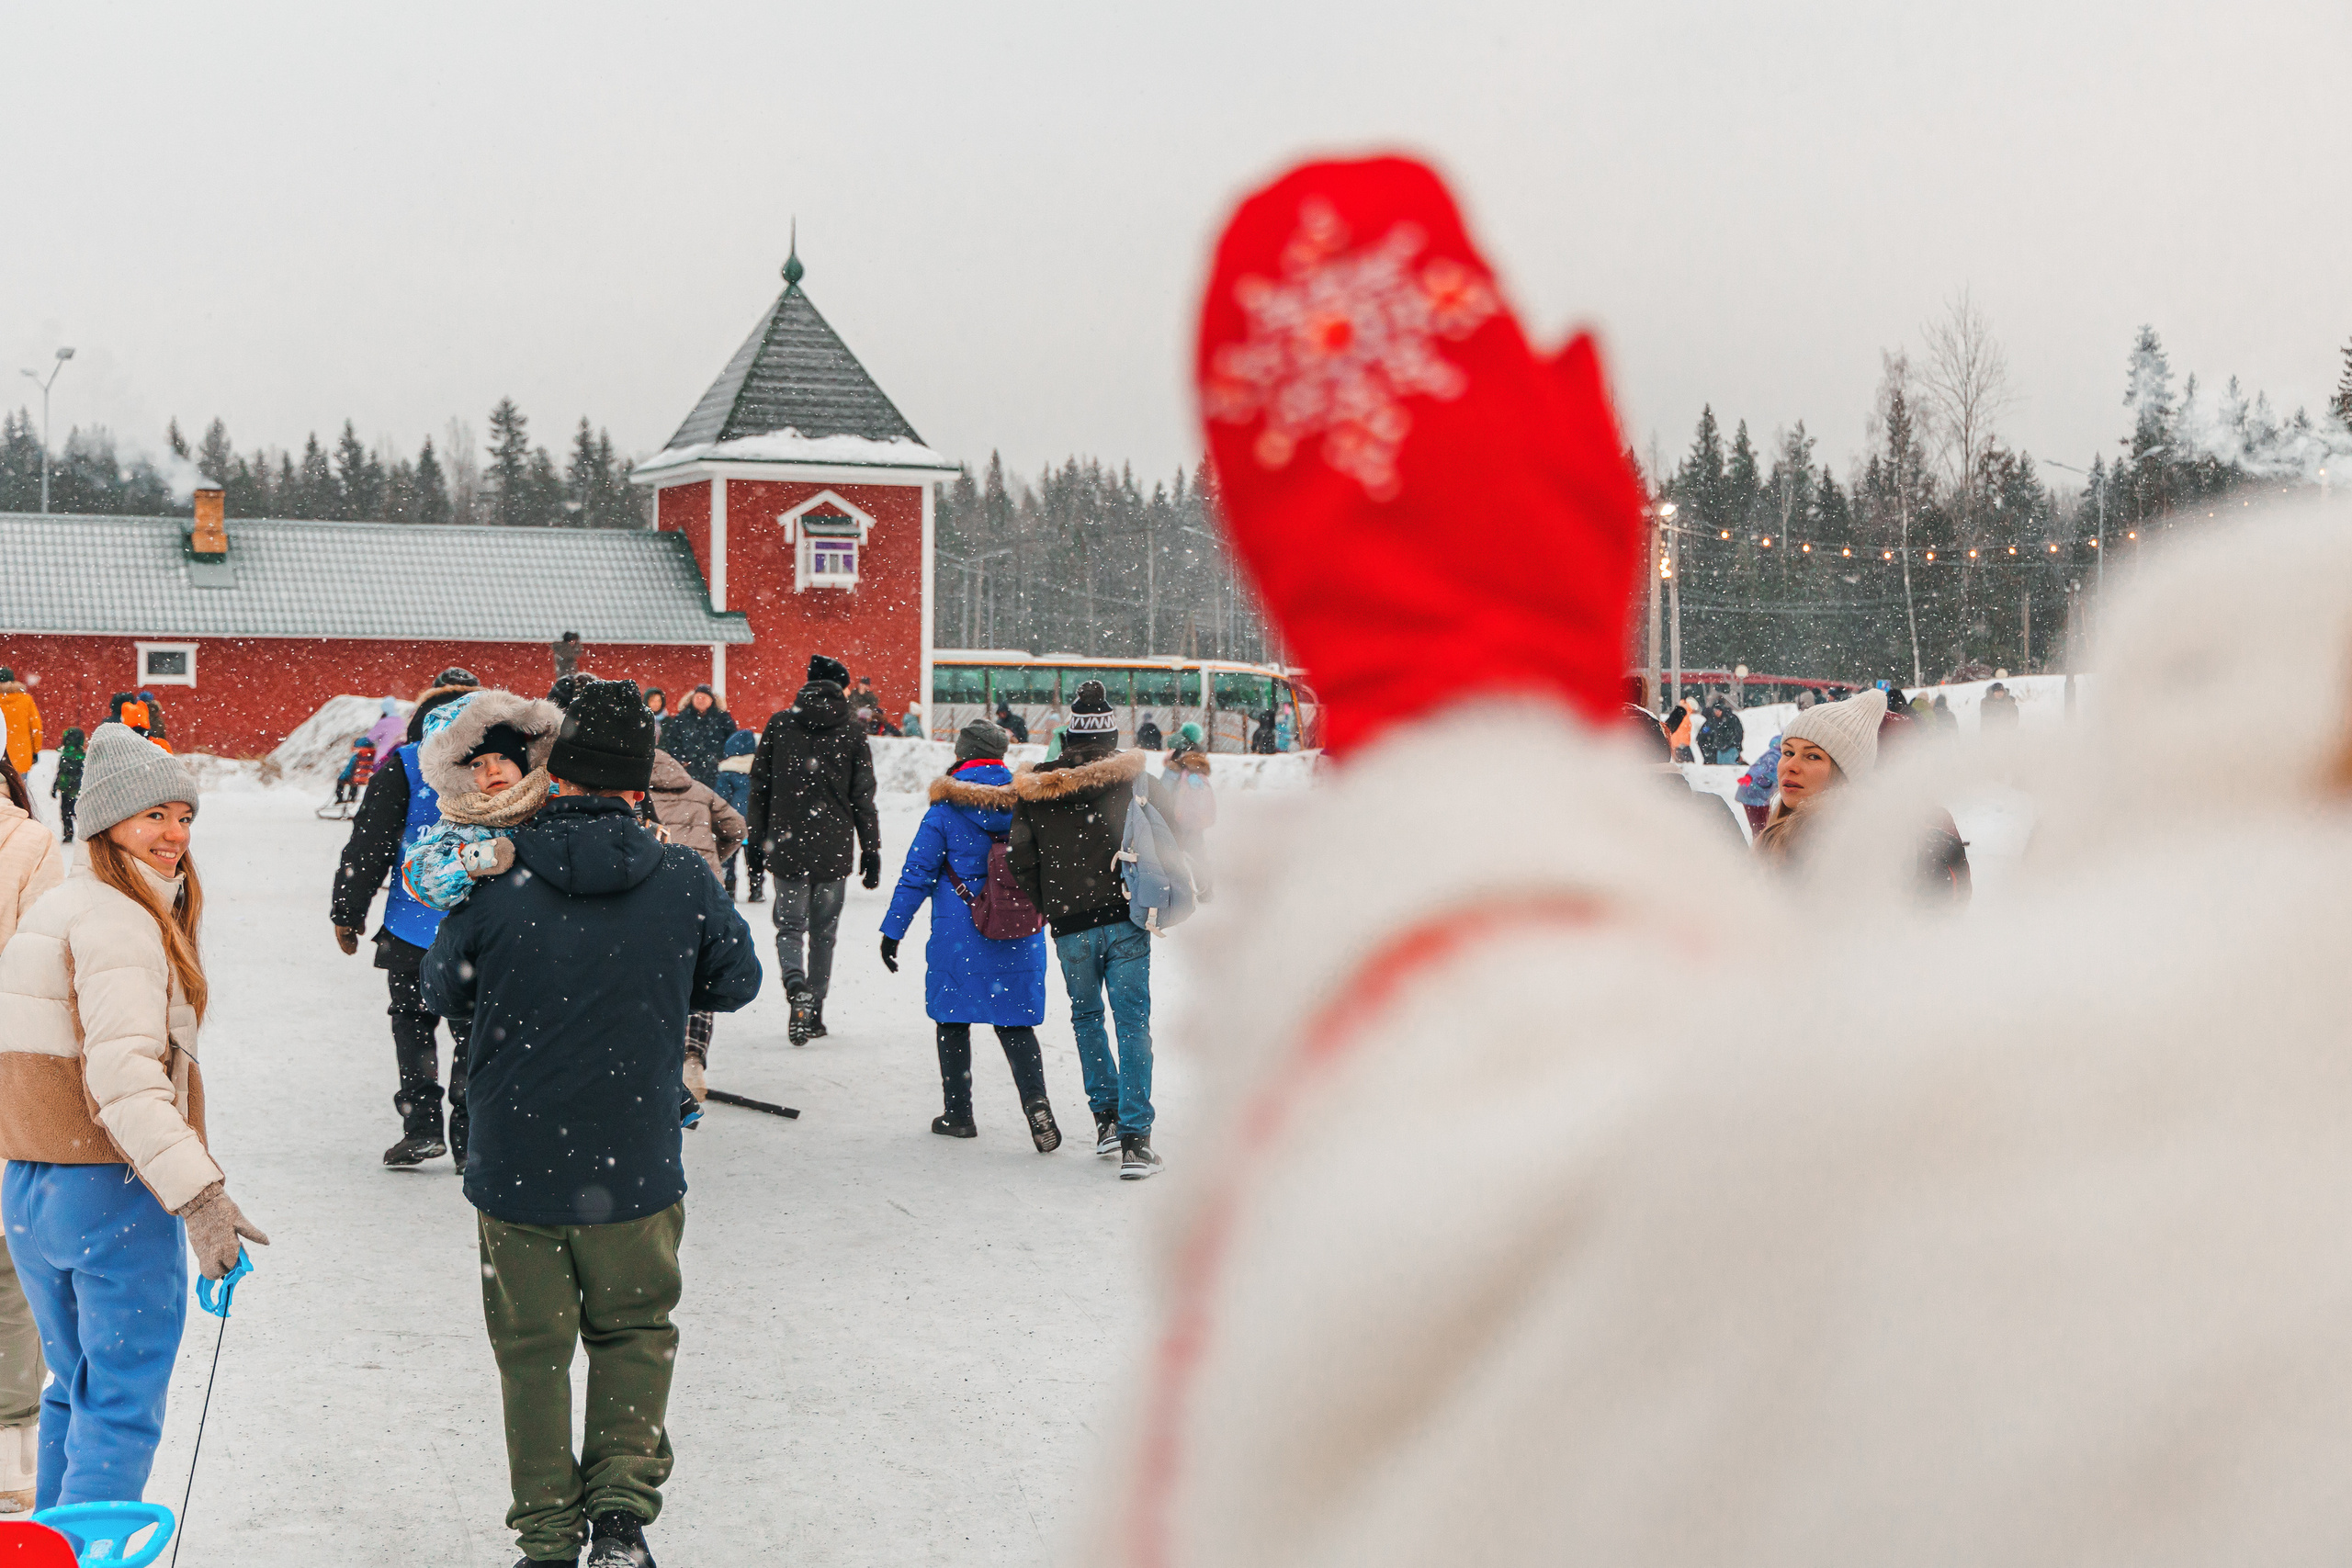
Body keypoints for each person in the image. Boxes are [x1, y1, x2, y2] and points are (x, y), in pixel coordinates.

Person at [421, 679, 760, 1568]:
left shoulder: (497, 876)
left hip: (516, 1164)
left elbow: (436, 988)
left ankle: (544, 1537)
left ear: (555, 771)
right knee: (634, 1333)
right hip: (637, 1159)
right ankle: (618, 1519)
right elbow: (738, 979)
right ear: (637, 780)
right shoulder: (681, 876)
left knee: (533, 1354)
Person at [0, 725, 268, 1516]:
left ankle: (50, 1545)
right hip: (106, 1191)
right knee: (119, 1404)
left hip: (31, 1189)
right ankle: (87, 1551)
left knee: (77, 1388)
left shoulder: (59, 904)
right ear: (108, 821)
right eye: (154, 815)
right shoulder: (119, 921)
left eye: (184, 815)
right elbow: (122, 1080)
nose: (175, 834)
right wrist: (199, 1195)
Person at [879, 718, 1058, 1150]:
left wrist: (893, 931)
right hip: (1017, 927)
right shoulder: (1028, 803)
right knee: (1015, 1021)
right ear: (999, 756)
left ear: (962, 753)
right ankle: (1036, 1102)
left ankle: (959, 1114)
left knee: (953, 1017)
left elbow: (916, 875)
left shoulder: (944, 810)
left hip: (959, 930)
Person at [330, 667, 481, 1168]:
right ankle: (469, 1133)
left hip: (411, 926)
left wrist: (348, 912)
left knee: (413, 1023)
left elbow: (368, 845)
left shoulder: (405, 765)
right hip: (480, 927)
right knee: (475, 1030)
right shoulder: (498, 767)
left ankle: (421, 1126)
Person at [1009, 680, 1160, 1179]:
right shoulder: (1132, 779)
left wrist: (1051, 904)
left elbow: (1019, 860)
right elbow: (1174, 830)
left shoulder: (1036, 788)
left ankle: (1107, 1121)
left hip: (1071, 926)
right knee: (1132, 1023)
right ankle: (1137, 1141)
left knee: (1087, 1019)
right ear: (1111, 733)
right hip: (1124, 918)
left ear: (1070, 734)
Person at [745, 655, 880, 1045]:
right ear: (841, 688)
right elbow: (863, 799)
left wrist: (755, 842)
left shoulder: (780, 724)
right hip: (833, 848)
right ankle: (815, 1010)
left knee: (789, 927)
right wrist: (871, 850)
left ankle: (795, 986)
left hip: (787, 844)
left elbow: (759, 787)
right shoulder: (854, 731)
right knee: (824, 932)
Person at [0, 752, 63, 1514]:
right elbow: (47, 977)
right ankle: (12, 1459)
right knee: (10, 1275)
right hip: (8, 1079)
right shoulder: (29, 844)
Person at [399, 690, 564, 918]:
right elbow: (422, 878)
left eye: (504, 757)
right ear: (458, 775)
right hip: (493, 935)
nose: (493, 769)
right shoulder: (460, 824)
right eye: (477, 763)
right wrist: (473, 859)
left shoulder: (555, 801)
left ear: (525, 762)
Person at [644, 747, 747, 1103]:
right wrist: (714, 856)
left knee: (663, 979)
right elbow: (737, 828)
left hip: (655, 895)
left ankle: (663, 1061)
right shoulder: (699, 790)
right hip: (706, 893)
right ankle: (693, 1054)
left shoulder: (637, 796)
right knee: (701, 974)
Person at [1752, 690, 1887, 873]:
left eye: (1813, 756)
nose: (1791, 766)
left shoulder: (1845, 851)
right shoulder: (1779, 835)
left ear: (1844, 775)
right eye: (1788, 753)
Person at [1149, 732, 1216, 901]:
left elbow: (1162, 791)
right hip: (1195, 820)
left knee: (1172, 855)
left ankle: (1176, 895)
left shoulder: (1176, 767)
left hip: (1177, 820)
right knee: (1197, 853)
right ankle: (1205, 891)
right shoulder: (1197, 765)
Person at [658, 685, 732, 790]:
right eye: (698, 697)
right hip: (688, 770)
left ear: (711, 700)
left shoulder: (723, 718)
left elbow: (732, 740)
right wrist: (681, 760)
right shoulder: (682, 718)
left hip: (715, 770)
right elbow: (672, 741)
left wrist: (722, 759)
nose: (700, 701)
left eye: (704, 698)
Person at [715, 728, 758, 900]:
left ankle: (729, 888)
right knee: (754, 856)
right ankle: (756, 887)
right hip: (754, 822)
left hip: (732, 822)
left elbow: (720, 798)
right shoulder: (758, 771)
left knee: (729, 856)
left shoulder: (727, 772)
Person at [1733, 734, 1780, 837]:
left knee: (1763, 828)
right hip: (1754, 795)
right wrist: (1750, 776)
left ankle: (1761, 847)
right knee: (1761, 829)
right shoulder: (1775, 756)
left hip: (1757, 795)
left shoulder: (1776, 753)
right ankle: (1760, 850)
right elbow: (1761, 768)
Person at [48, 728, 85, 843]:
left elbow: (60, 772)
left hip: (66, 787)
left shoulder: (66, 754)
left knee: (66, 811)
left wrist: (55, 786)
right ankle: (78, 831)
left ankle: (68, 832)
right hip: (75, 788)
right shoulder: (81, 755)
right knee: (74, 810)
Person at [0, 671, 40, 777]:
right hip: (21, 755)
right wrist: (35, 750)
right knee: (20, 791)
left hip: (1, 756)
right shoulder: (26, 700)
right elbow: (36, 727)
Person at [1696, 695, 1745, 765]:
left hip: (1730, 750)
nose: (1717, 712)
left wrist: (1733, 745)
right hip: (1717, 752)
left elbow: (1738, 734)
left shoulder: (1731, 719)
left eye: (1719, 710)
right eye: (1715, 710)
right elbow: (1702, 736)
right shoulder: (1711, 722)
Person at [334, 737, 378, 807]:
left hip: (354, 777)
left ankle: (340, 798)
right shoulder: (373, 755)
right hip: (364, 778)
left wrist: (342, 775)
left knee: (343, 779)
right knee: (355, 780)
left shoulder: (357, 755)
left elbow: (349, 769)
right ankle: (353, 796)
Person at [1660, 695, 1698, 762]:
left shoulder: (1680, 713)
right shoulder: (1684, 715)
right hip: (1681, 744)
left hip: (1677, 743)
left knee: (1682, 763)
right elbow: (1681, 730)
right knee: (1687, 763)